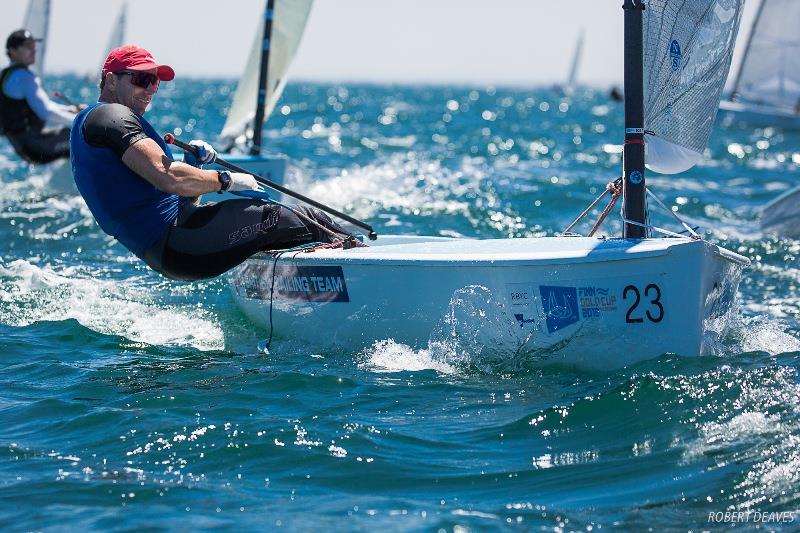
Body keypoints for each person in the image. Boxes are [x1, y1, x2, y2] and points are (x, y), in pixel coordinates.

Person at [71, 44, 354, 282]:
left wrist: (193, 166)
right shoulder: (109, 115)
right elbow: (167, 177)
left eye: (155, 82)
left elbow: (182, 198)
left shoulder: (100, 123)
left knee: (292, 226)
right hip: (179, 242)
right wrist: (226, 181)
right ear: (110, 80)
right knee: (305, 218)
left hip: (177, 246)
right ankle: (363, 264)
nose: (150, 89)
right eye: (140, 79)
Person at [0, 29, 79, 163]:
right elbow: (46, 112)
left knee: (69, 132)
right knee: (84, 135)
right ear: (12, 51)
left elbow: (45, 105)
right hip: (37, 147)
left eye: (34, 46)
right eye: (28, 47)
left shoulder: (5, 75)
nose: (34, 50)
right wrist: (82, 120)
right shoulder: (24, 77)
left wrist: (69, 110)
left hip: (23, 147)